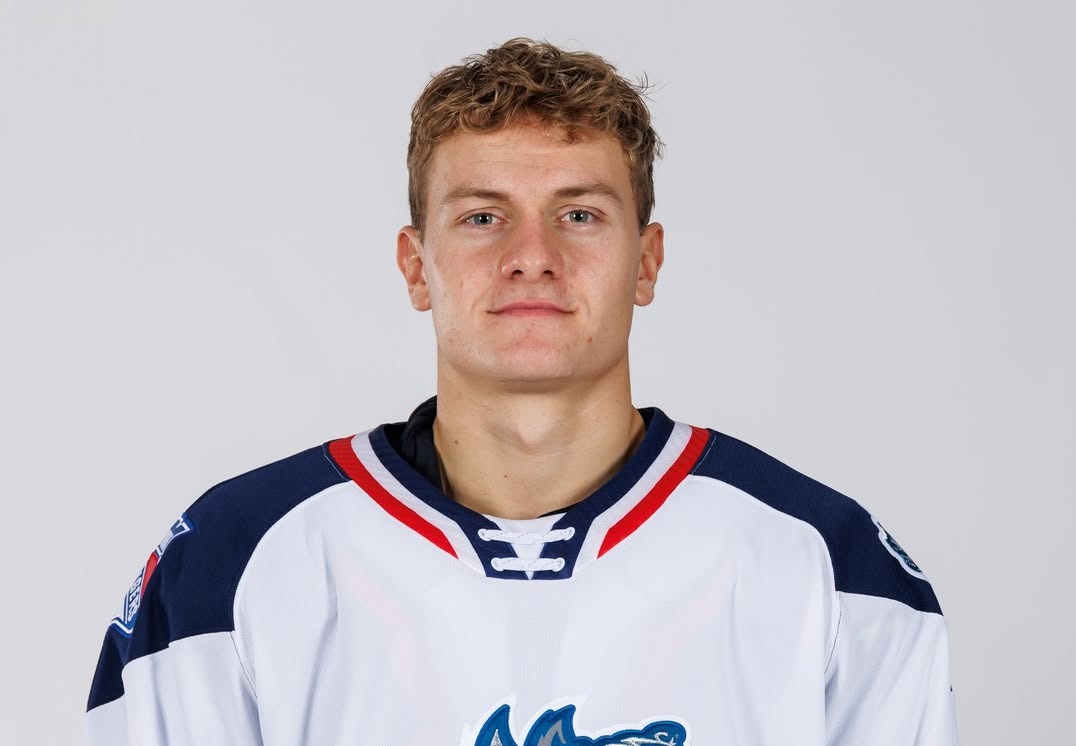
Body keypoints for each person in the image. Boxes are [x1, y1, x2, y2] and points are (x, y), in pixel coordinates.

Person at [86, 38, 958, 745]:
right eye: (482, 217)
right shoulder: (232, 564)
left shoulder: (832, 571)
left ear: (646, 261)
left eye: (579, 214)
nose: (532, 256)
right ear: (415, 266)